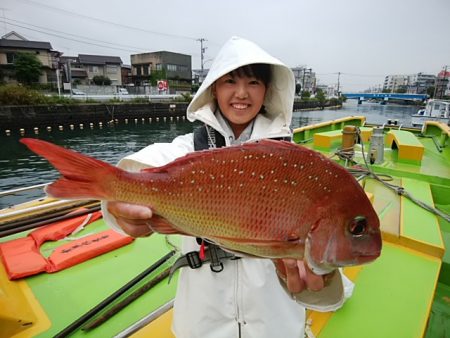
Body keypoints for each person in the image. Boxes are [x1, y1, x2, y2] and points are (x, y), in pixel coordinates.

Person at [102, 36, 350, 338]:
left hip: (276, 327)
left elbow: (319, 292)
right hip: (201, 326)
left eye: (254, 82)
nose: (241, 93)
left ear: (267, 90)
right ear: (213, 89)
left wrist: (322, 277)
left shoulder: (296, 163)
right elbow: (146, 165)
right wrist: (120, 200)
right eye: (230, 81)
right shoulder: (188, 150)